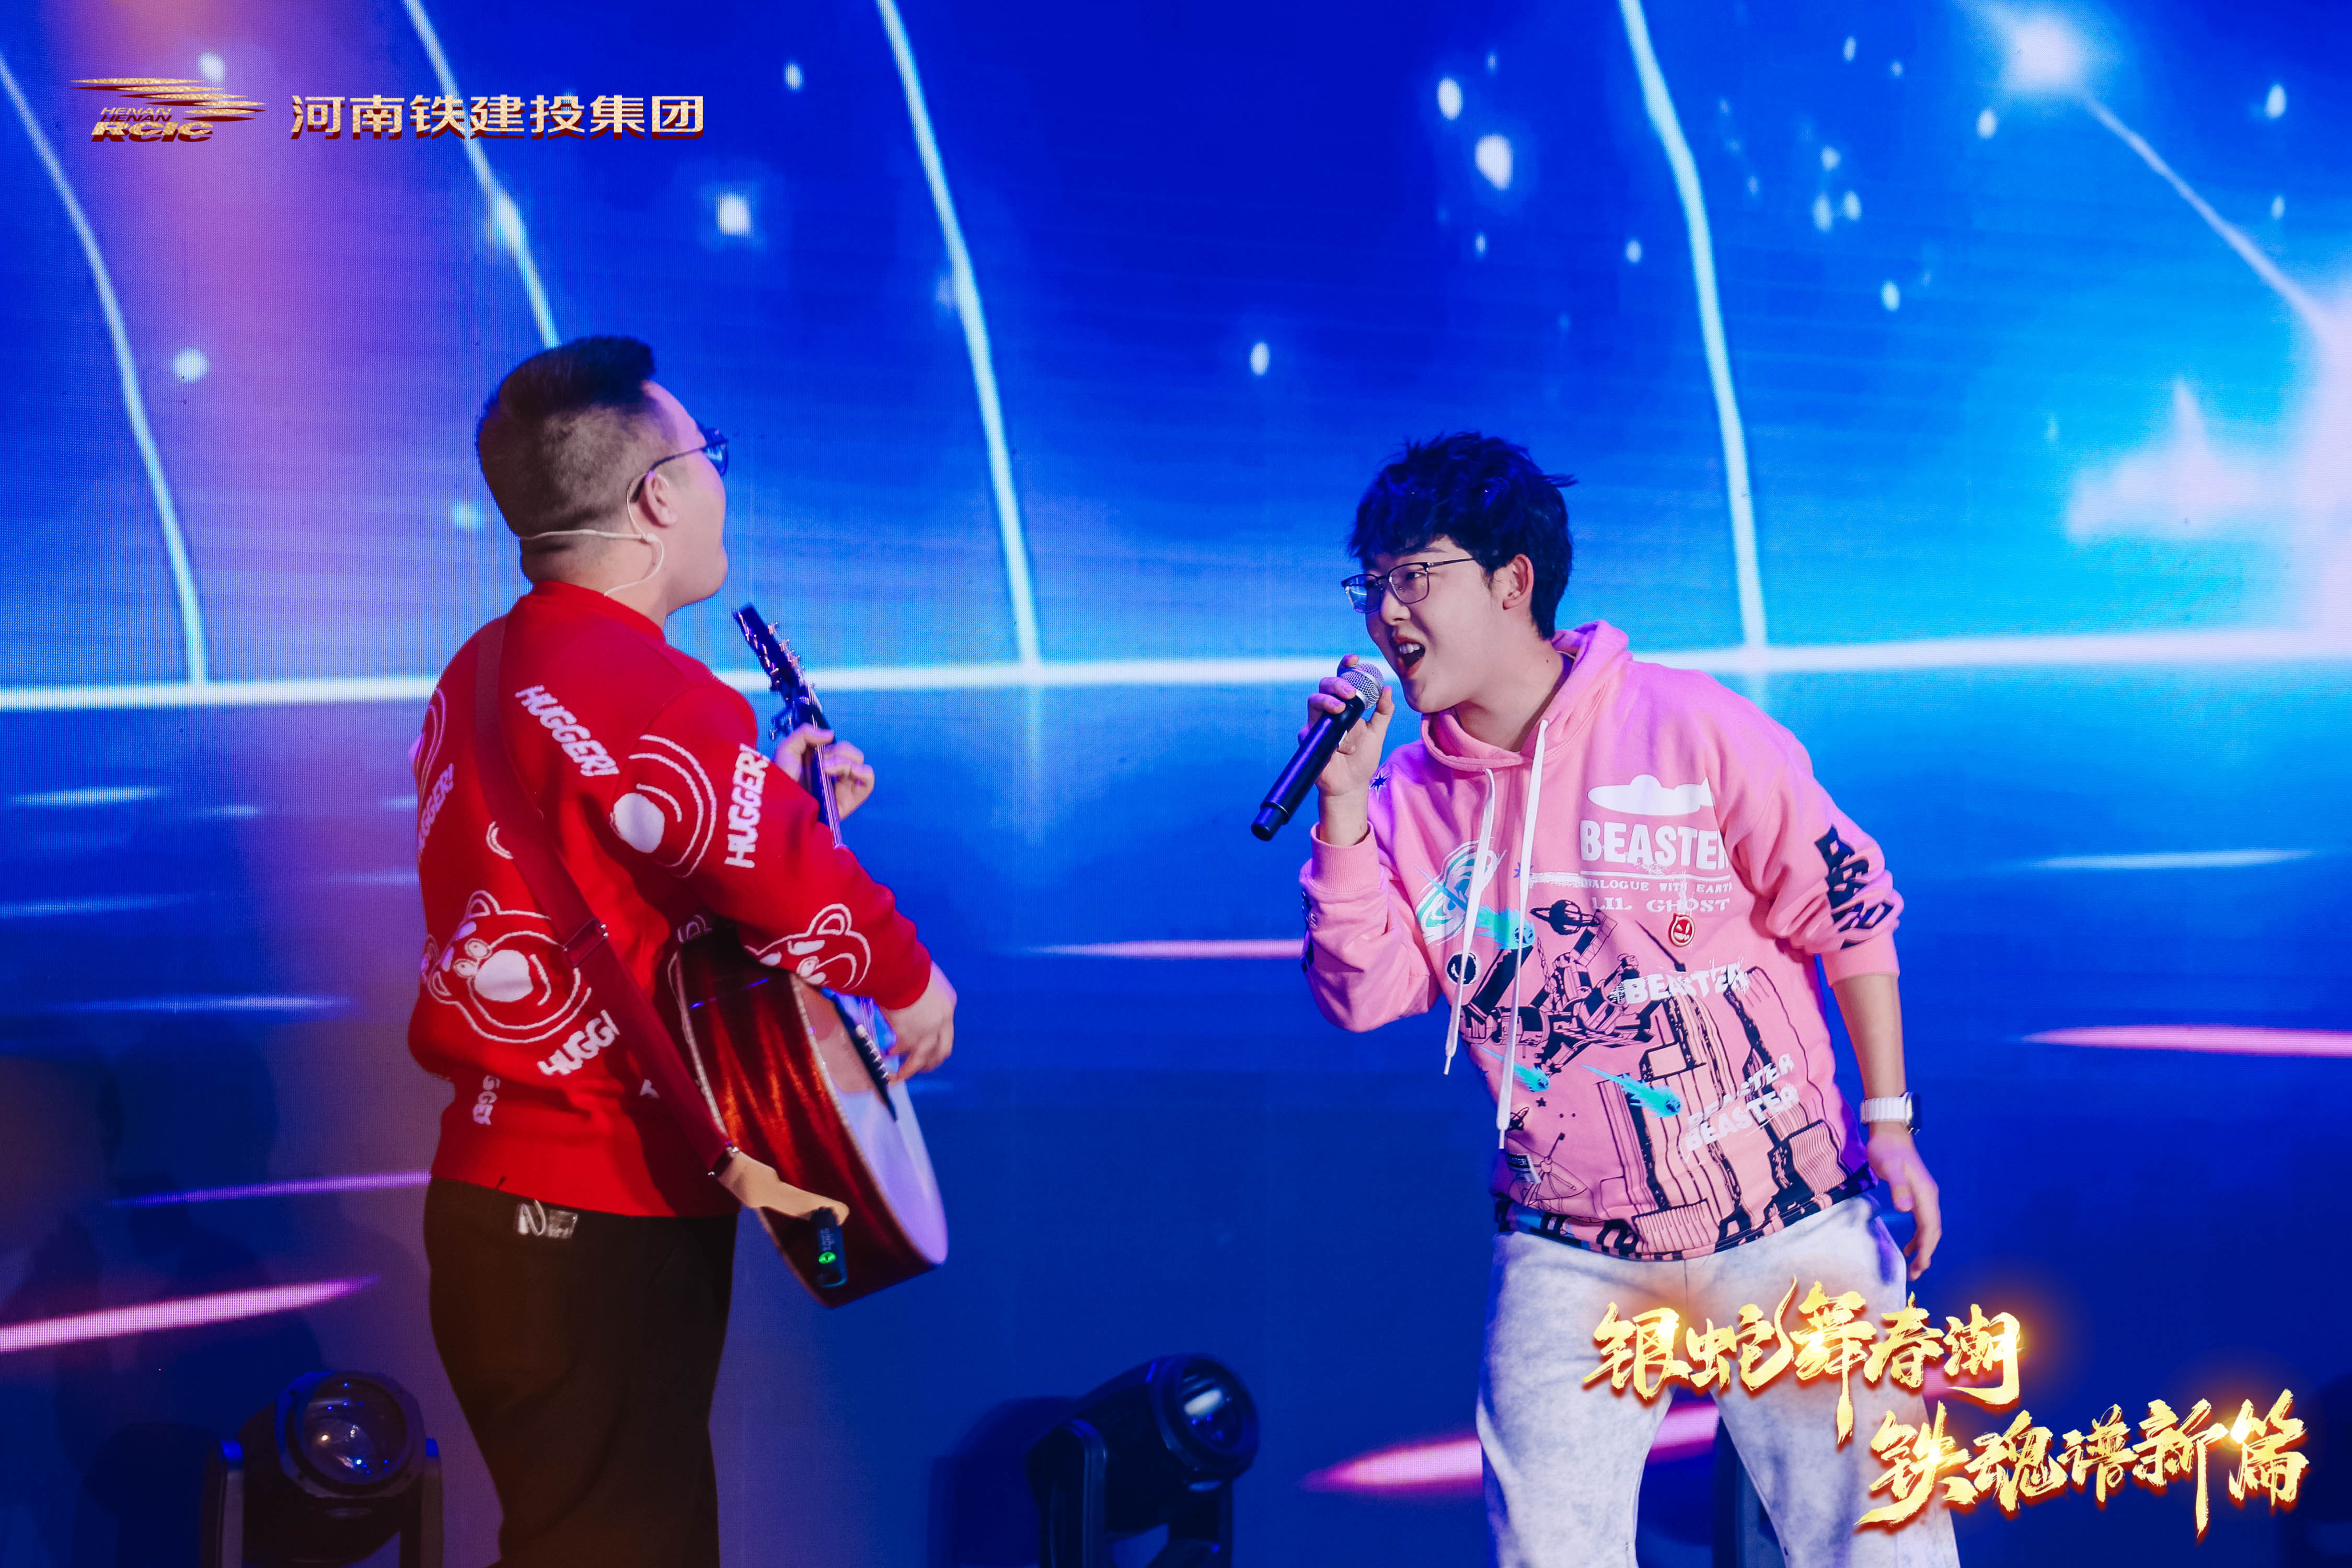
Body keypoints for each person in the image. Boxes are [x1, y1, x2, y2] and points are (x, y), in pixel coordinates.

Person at [1296, 434, 1957, 1566]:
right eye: (1373, 583)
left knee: (1878, 1547)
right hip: (1570, 1249)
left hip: (1787, 1220)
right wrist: (1345, 808)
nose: (1386, 612)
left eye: (1415, 576)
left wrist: (1890, 1121)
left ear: (1513, 580)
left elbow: (1849, 905)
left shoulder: (1688, 723)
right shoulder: (1403, 799)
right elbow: (1366, 996)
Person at [407, 335, 958, 1566]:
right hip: (600, 1203)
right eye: (711, 456)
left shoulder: (480, 670)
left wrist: (774, 803)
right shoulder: (649, 687)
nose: (719, 481)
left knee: (578, 1535)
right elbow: (792, 889)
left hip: (494, 1198)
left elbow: (622, 880)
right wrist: (910, 979)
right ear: (658, 494)